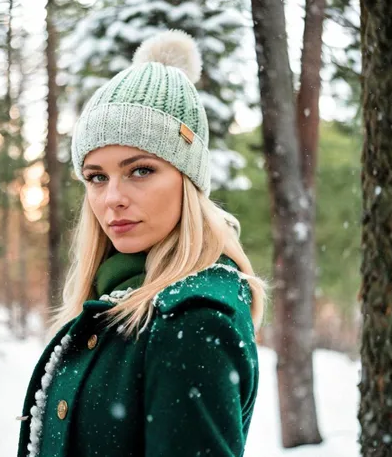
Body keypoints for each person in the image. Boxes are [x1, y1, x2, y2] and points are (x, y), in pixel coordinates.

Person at [16, 29, 269, 457]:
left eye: (140, 170)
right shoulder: (117, 296)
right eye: (97, 176)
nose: (112, 197)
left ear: (188, 181)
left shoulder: (191, 320)